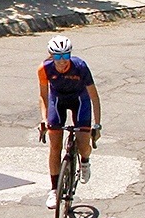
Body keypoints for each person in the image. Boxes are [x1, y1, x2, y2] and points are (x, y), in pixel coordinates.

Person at [37, 34, 103, 209]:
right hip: (57, 100)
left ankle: (85, 161)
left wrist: (97, 124)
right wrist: (43, 119)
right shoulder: (44, 69)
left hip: (80, 100)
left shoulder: (80, 67)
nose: (62, 61)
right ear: (51, 56)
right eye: (57, 57)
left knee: (83, 143)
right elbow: (43, 96)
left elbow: (94, 97)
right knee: (55, 146)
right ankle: (53, 189)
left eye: (66, 56)